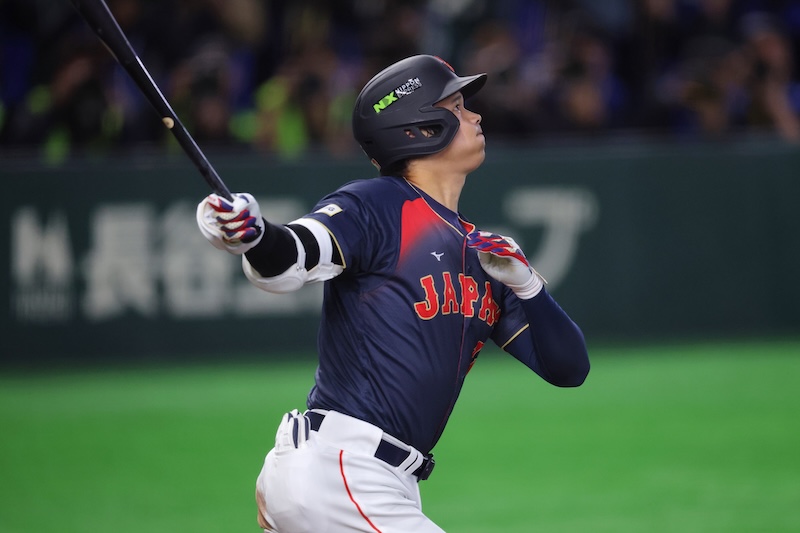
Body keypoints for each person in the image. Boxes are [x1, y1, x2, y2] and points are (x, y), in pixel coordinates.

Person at [196, 54, 590, 532]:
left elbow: (569, 368)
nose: (475, 115)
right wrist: (256, 235)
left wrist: (527, 286)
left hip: (375, 479)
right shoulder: (377, 204)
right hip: (342, 471)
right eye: (458, 106)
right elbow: (296, 254)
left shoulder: (484, 256)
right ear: (420, 128)